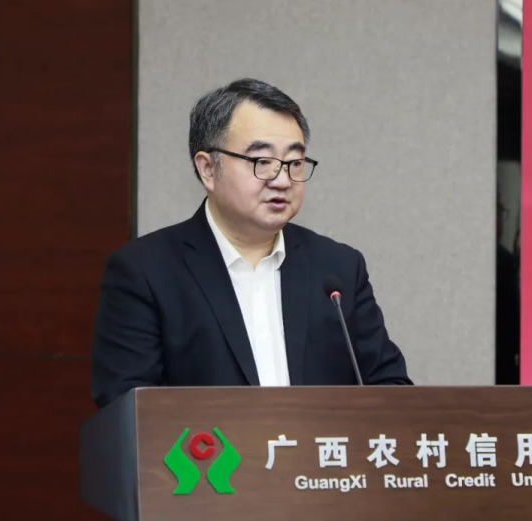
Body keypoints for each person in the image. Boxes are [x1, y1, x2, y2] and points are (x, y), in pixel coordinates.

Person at [91, 78, 411, 408]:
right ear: (208, 169)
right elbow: (129, 409)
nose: (283, 180)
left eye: (294, 163)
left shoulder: (338, 268)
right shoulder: (146, 272)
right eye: (262, 161)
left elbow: (391, 388)